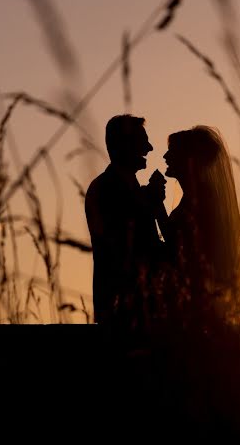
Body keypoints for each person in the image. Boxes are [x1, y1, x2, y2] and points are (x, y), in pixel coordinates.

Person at [158, 126, 240, 325]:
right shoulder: (194, 194)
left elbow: (179, 244)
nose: (165, 156)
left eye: (172, 151)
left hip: (196, 303)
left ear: (188, 159)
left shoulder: (201, 198)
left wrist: (156, 206)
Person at [85, 115, 165, 328]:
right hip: (122, 312)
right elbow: (124, 248)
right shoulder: (104, 190)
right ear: (123, 145)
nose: (149, 148)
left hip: (147, 309)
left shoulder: (134, 188)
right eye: (142, 141)